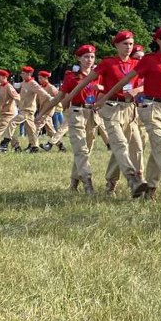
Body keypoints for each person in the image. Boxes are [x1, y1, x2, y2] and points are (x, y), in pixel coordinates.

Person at [98, 27, 161, 202]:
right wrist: (106, 96)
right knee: (158, 144)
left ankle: (151, 188)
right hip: (150, 107)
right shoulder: (149, 60)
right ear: (159, 41)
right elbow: (126, 81)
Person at [62, 31, 147, 198]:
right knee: (120, 144)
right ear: (116, 45)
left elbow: (149, 83)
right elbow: (85, 82)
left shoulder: (138, 64)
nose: (128, 47)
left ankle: (115, 182)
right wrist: (69, 98)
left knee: (136, 148)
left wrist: (138, 89)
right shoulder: (108, 63)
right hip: (111, 109)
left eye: (131, 44)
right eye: (124, 44)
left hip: (130, 110)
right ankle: (132, 179)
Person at [36, 45, 103, 193]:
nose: (89, 60)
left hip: (92, 113)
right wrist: (42, 114)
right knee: (81, 149)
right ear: (78, 59)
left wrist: (102, 88)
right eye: (86, 57)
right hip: (76, 112)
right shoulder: (71, 77)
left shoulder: (98, 75)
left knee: (86, 151)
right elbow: (58, 97)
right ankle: (88, 182)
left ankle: (74, 183)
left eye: (92, 57)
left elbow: (108, 91)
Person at [7, 66, 51, 153]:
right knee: (31, 129)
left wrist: (50, 98)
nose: (21, 75)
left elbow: (41, 91)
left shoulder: (33, 83)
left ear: (29, 74)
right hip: (24, 108)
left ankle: (5, 142)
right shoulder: (24, 82)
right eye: (21, 73)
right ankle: (34, 146)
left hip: (28, 110)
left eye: (23, 73)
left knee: (12, 122)